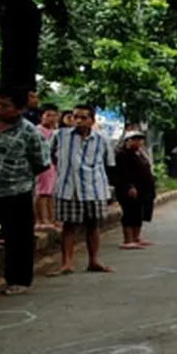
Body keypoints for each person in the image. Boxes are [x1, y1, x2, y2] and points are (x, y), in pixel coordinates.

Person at [48, 104, 115, 275]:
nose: (78, 120)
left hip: (94, 188)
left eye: (83, 117)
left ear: (92, 120)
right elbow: (48, 156)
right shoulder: (60, 135)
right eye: (75, 117)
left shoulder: (102, 138)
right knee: (68, 226)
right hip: (68, 187)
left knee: (93, 225)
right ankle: (67, 263)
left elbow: (109, 163)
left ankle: (94, 261)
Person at [0, 87, 51, 295]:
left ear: (18, 109)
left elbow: (41, 161)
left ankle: (18, 280)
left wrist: (21, 175)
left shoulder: (29, 131)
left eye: (5, 105)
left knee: (18, 237)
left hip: (15, 189)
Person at [113, 131, 156, 250]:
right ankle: (128, 239)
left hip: (143, 188)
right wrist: (130, 186)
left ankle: (136, 237)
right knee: (129, 212)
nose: (138, 142)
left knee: (139, 213)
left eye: (140, 140)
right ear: (128, 141)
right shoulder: (122, 154)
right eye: (135, 139)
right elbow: (123, 173)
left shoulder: (141, 153)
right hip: (129, 188)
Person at [34, 102, 59, 230]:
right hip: (42, 165)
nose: (52, 118)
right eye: (48, 115)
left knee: (49, 193)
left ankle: (50, 218)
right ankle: (40, 219)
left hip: (52, 166)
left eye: (54, 115)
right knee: (41, 193)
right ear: (41, 117)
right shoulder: (38, 131)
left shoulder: (54, 132)